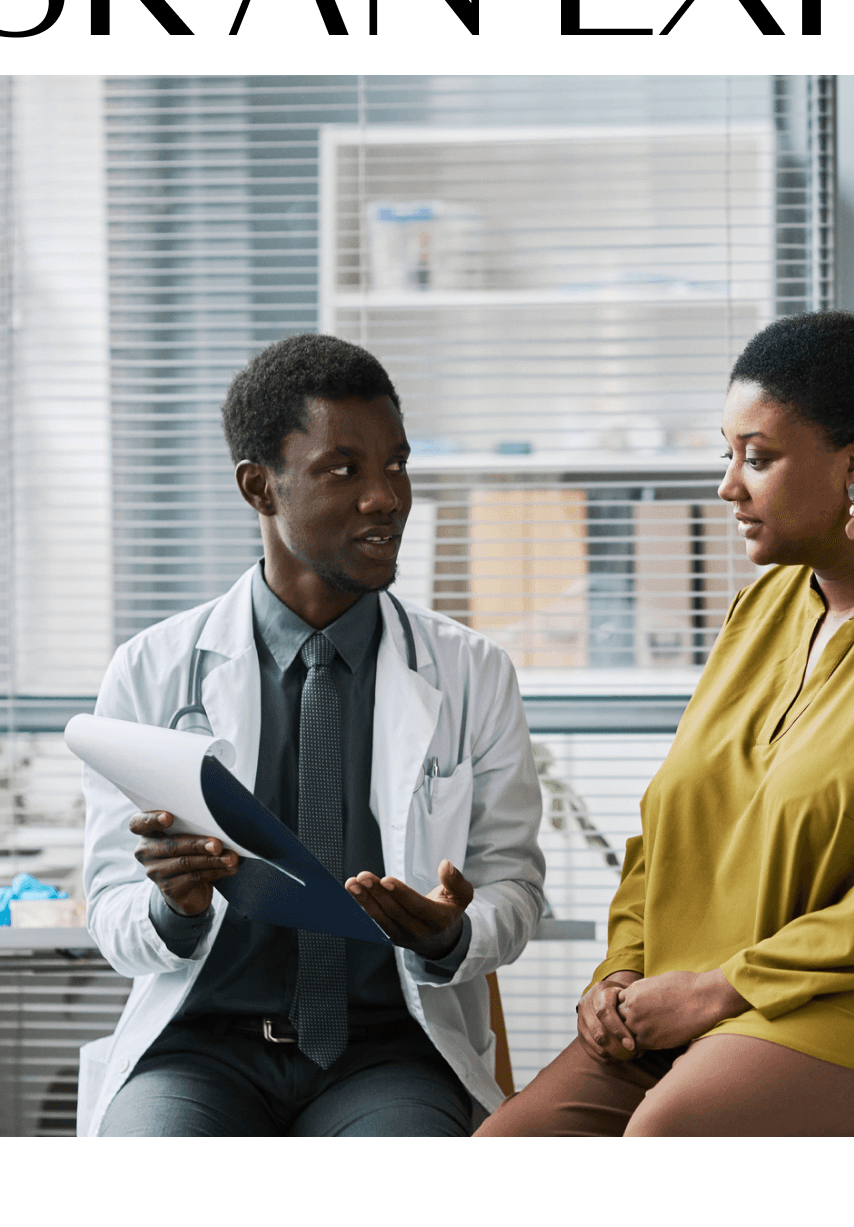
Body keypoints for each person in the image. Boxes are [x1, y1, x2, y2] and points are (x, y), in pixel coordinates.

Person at [478, 309, 854, 1137]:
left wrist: (720, 988)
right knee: (505, 1146)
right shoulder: (761, 611)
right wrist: (622, 971)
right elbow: (666, 831)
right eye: (726, 454)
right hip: (721, 994)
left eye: (758, 458)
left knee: (672, 1129)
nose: (728, 485)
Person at [77, 334, 545, 1136]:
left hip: (387, 1054)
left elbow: (516, 887)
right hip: (199, 1052)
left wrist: (452, 932)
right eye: (345, 469)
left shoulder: (473, 671)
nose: (387, 497)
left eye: (396, 464)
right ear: (260, 486)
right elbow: (110, 907)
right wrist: (172, 911)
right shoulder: (150, 670)